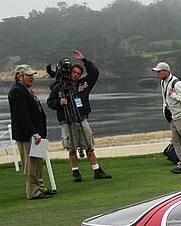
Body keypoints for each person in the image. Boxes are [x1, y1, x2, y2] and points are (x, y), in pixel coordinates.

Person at [46, 49, 111, 182]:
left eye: (78, 73)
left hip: (81, 118)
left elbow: (94, 73)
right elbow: (50, 102)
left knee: (89, 145)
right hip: (66, 120)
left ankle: (96, 170)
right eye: (74, 72)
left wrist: (84, 60)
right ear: (69, 72)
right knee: (72, 147)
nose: (76, 75)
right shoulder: (59, 87)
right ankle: (75, 172)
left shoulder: (83, 84)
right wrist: (59, 102)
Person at [8, 65, 54, 200]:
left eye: (32, 75)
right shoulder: (17, 91)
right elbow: (22, 116)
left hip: (36, 133)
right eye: (28, 76)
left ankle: (40, 187)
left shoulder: (26, 90)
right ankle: (33, 191)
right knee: (30, 164)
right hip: (27, 135)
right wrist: (33, 133)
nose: (31, 78)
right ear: (19, 76)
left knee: (38, 162)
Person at [153, 61, 181, 173]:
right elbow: (165, 100)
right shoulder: (163, 83)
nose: (157, 74)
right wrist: (166, 112)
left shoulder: (178, 84)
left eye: (159, 72)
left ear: (166, 71)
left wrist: (174, 96)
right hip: (173, 116)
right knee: (176, 141)